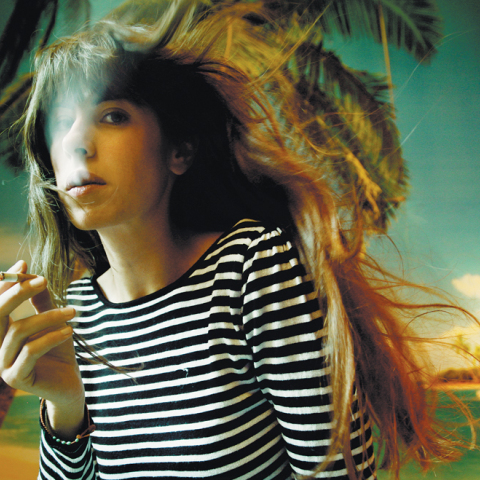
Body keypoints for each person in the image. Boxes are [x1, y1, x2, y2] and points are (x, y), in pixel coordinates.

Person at [0, 1, 473, 479]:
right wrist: (66, 405)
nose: (76, 142)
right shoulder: (74, 311)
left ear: (179, 151)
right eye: (61, 123)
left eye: (113, 115)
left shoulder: (250, 267)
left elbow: (338, 472)